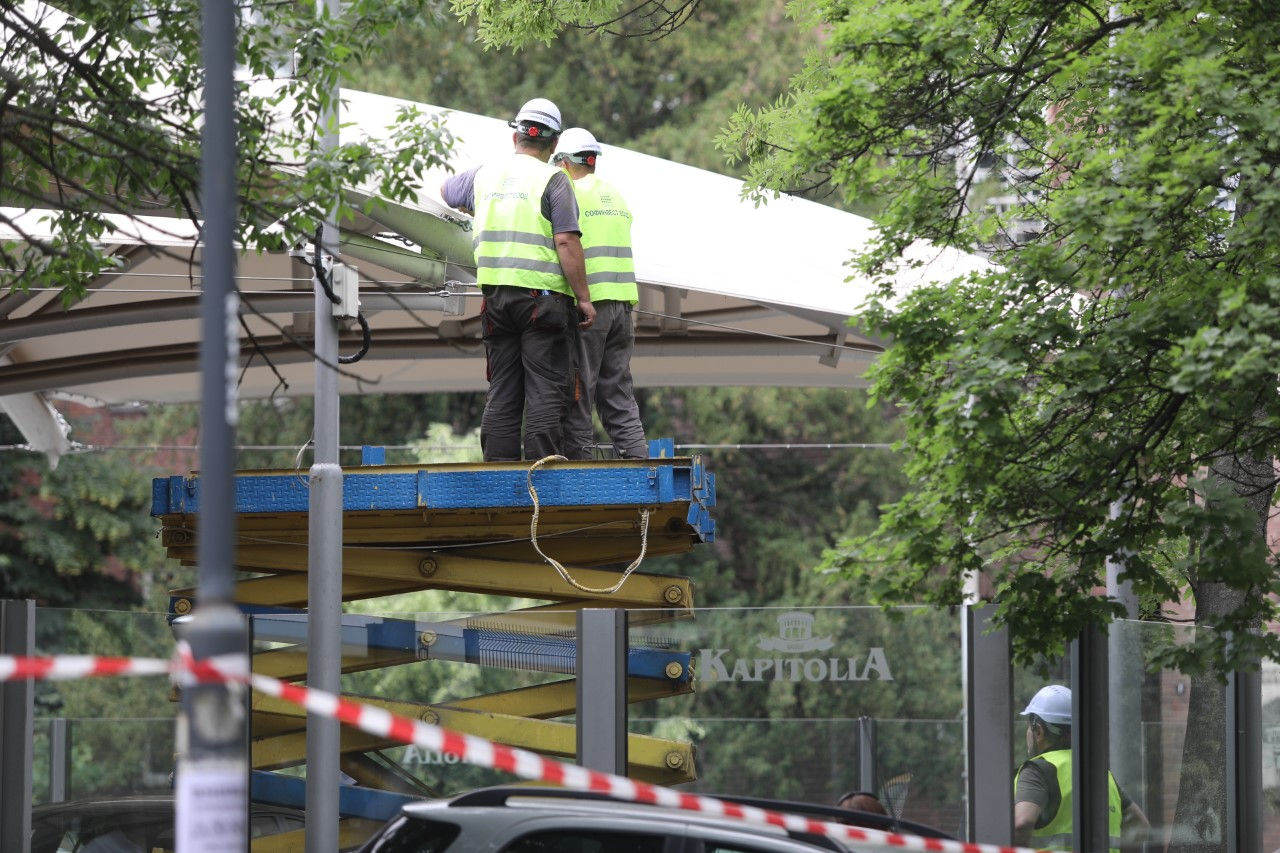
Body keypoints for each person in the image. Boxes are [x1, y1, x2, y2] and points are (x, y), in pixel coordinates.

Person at [440, 98, 596, 461]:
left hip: (496, 300)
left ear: (515, 136)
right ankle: (541, 477)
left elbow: (447, 192)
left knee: (504, 389)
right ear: (554, 144)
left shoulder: (483, 175)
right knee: (545, 390)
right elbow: (566, 241)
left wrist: (474, 206)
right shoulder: (554, 179)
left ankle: (498, 475)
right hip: (542, 302)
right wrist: (584, 298)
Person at [551, 127, 648, 460]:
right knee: (617, 392)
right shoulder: (615, 196)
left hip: (591, 309)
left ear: (563, 162)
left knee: (579, 391)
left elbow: (563, 244)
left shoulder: (570, 195)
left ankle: (579, 474)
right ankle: (639, 463)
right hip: (623, 308)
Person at [1014, 684, 1149, 853]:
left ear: (1038, 731)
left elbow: (1022, 823)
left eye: (1029, 726)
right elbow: (1139, 825)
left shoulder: (1038, 770)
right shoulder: (1100, 773)